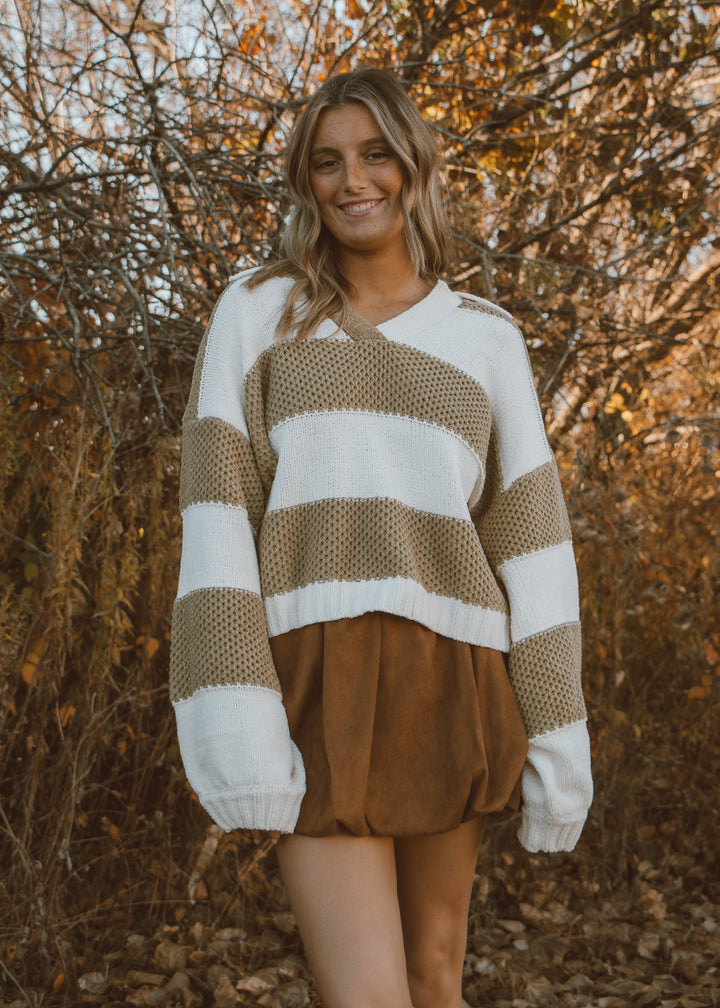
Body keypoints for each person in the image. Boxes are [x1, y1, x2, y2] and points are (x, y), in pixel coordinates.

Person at [170, 67, 592, 1008]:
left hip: (456, 676)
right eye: (327, 162)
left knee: (434, 981)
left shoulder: (487, 338)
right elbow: (217, 514)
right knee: (367, 996)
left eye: (373, 155)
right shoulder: (259, 312)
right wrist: (238, 711)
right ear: (305, 182)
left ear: (412, 165)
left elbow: (533, 545)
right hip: (317, 674)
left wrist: (559, 739)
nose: (353, 181)